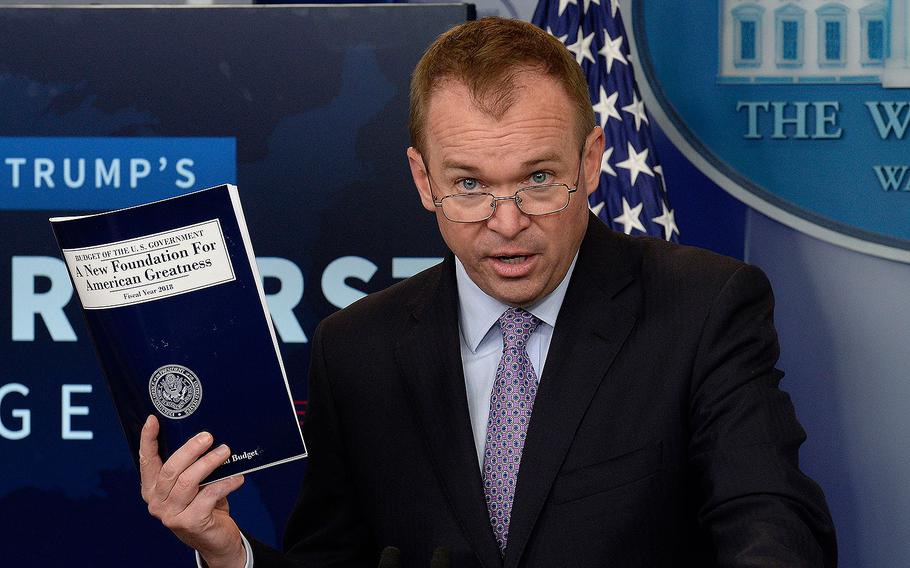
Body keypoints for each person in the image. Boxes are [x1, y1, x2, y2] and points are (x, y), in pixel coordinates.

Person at [140, 17, 837, 567]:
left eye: (538, 179)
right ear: (423, 180)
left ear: (591, 161)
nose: (508, 225)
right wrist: (227, 553)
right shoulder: (356, 350)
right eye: (470, 185)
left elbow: (772, 528)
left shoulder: (703, 309)